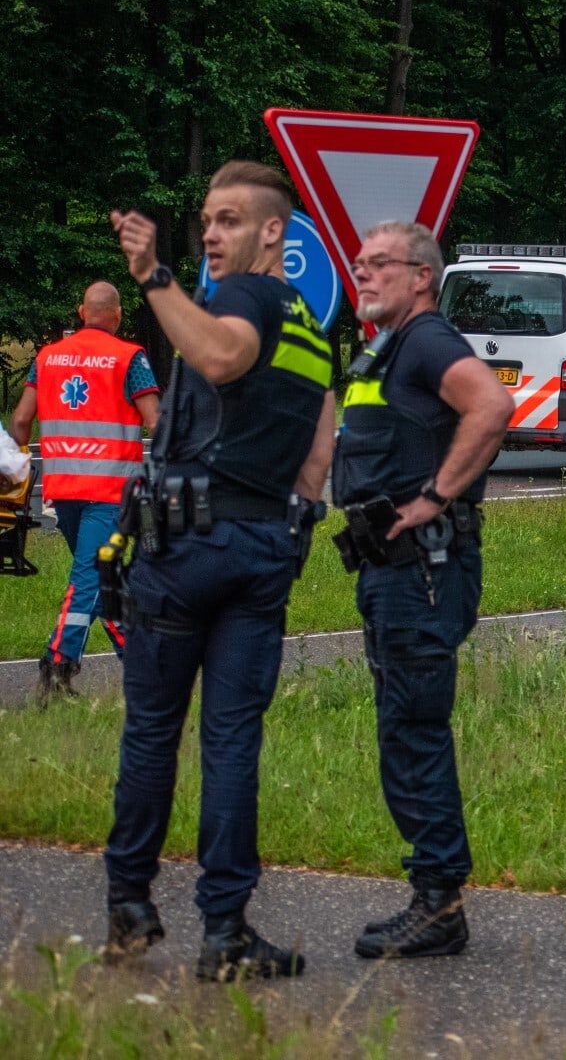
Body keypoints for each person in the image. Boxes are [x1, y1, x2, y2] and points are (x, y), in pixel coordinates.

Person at [102, 160, 336, 981]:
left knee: (154, 730)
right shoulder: (312, 322)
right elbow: (320, 442)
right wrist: (293, 519)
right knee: (233, 741)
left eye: (230, 219)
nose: (211, 232)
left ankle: (129, 903)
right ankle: (226, 930)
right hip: (265, 547)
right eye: (208, 218)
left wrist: (155, 277)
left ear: (273, 231)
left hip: (189, 546)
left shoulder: (242, 297)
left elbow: (222, 357)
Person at [332, 221, 512, 959]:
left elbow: (492, 406)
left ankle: (438, 904)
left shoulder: (430, 339)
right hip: (394, 570)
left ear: (421, 277)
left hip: (424, 572)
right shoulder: (387, 346)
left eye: (380, 265)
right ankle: (429, 897)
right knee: (401, 730)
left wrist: (434, 496)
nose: (363, 275)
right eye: (359, 263)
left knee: (414, 730)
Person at [9, 282, 159, 698]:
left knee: (100, 579)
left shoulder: (46, 357)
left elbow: (22, 420)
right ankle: (57, 664)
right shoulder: (131, 358)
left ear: (81, 312)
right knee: (89, 581)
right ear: (118, 315)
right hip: (111, 490)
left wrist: (22, 468)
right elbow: (156, 424)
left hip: (63, 491)